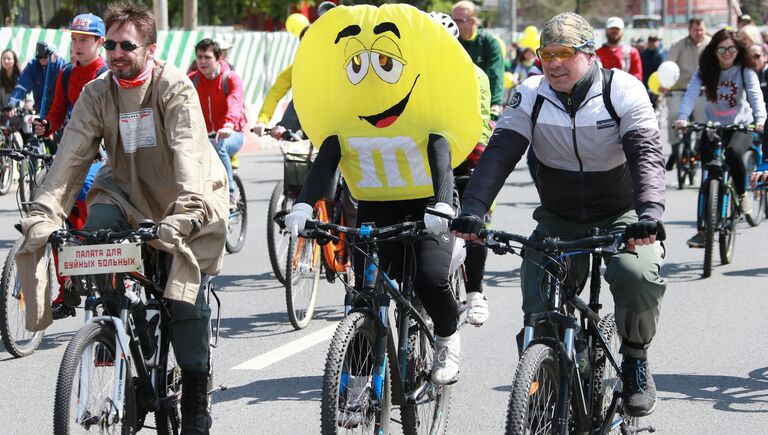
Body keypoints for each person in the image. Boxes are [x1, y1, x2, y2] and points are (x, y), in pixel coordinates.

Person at [15, 4, 228, 434]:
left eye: (126, 44)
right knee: (93, 235)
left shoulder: (175, 87)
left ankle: (196, 402)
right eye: (109, 44)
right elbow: (70, 158)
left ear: (150, 49)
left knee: (184, 298)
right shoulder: (97, 92)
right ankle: (112, 330)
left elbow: (188, 152)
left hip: (186, 197)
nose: (115, 52)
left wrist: (186, 213)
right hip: (126, 191)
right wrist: (44, 213)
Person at [450, 12, 667, 417]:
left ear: (590, 54)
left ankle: (635, 360)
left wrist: (649, 213)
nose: (553, 63)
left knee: (637, 274)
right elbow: (498, 154)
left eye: (564, 53)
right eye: (546, 53)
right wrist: (474, 211)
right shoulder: (530, 94)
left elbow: (646, 154)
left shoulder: (622, 89)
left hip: (621, 215)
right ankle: (548, 373)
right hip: (558, 217)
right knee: (538, 295)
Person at [287, 3, 484, 385]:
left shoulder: (423, 113)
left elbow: (441, 154)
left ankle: (446, 337)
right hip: (375, 209)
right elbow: (325, 162)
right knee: (364, 295)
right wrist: (301, 206)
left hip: (428, 208)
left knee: (429, 280)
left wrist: (443, 203)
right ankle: (359, 381)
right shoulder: (344, 120)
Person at [675, 29, 766, 247]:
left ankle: (742, 194)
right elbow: (690, 93)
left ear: (738, 50)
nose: (727, 53)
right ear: (714, 50)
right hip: (713, 125)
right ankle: (704, 229)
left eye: (731, 49)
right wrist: (682, 117)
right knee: (710, 170)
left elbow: (755, 95)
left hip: (740, 125)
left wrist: (761, 119)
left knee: (734, 153)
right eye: (722, 49)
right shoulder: (705, 69)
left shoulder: (745, 70)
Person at [429, 10, 491, 326]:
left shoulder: (475, 76)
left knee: (474, 217)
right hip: (421, 160)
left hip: (464, 155)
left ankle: (476, 292)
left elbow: (479, 125)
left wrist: (475, 168)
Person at [252, 2, 337, 136]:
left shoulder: (339, 63)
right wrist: (262, 121)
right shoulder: (295, 69)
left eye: (314, 43)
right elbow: (275, 93)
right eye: (305, 45)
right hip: (302, 118)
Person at [32, 14, 108, 150]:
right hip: (76, 146)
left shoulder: (110, 75)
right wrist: (45, 125)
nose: (77, 46)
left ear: (100, 42)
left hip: (106, 151)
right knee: (52, 172)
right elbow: (57, 111)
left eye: (83, 40)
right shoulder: (66, 73)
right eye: (74, 39)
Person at [188, 38, 246, 207]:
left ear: (218, 58)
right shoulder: (192, 80)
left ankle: (230, 194)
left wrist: (228, 125)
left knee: (219, 144)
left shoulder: (230, 78)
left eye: (207, 57)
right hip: (204, 137)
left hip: (231, 133)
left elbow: (235, 102)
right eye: (199, 57)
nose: (203, 61)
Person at [664, 17, 710, 170]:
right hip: (679, 88)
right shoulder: (678, 45)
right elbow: (668, 65)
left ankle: (698, 147)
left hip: (702, 91)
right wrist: (665, 84)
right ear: (689, 30)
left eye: (701, 29)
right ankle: (675, 149)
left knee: (703, 120)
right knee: (673, 115)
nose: (699, 33)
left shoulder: (710, 45)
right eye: (695, 30)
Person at [451, 0, 504, 119]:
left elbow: (496, 74)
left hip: (482, 103)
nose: (454, 24)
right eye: (453, 19)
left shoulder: (489, 43)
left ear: (473, 21)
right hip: (456, 104)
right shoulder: (451, 42)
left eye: (459, 21)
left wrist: (495, 104)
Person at [7, 41, 67, 114]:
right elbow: (22, 86)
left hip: (59, 112)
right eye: (40, 56)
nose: (42, 58)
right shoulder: (32, 66)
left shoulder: (62, 66)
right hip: (39, 110)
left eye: (45, 56)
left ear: (54, 55)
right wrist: (12, 103)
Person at [596, 16, 643, 82]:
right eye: (611, 28)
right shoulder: (597, 54)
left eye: (617, 29)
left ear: (623, 30)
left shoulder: (632, 52)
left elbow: (637, 77)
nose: (614, 31)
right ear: (606, 30)